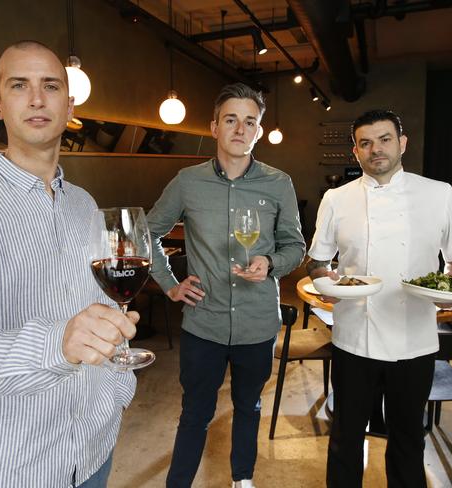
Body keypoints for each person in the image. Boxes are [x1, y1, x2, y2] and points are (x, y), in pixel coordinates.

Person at [0, 40, 138, 488]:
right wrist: (58, 343)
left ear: (69, 104)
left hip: (95, 451)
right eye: (20, 85)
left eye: (50, 86)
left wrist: (117, 393)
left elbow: (103, 305)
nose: (37, 99)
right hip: (15, 467)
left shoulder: (83, 205)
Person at [147, 82, 306, 488]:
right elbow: (146, 234)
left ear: (258, 129)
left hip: (257, 323)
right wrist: (169, 284)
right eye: (231, 119)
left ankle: (242, 480)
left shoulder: (278, 183)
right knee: (195, 412)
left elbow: (295, 246)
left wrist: (270, 262)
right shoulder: (187, 181)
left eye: (249, 121)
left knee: (249, 406)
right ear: (214, 127)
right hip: (204, 321)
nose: (240, 128)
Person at [307, 109, 452, 487]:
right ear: (355, 152)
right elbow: (317, 263)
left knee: (407, 441)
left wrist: (448, 288)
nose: (375, 150)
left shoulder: (438, 193)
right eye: (365, 143)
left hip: (414, 340)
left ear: (402, 143)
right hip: (353, 338)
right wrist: (327, 281)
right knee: (345, 440)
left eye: (384, 139)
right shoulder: (336, 198)